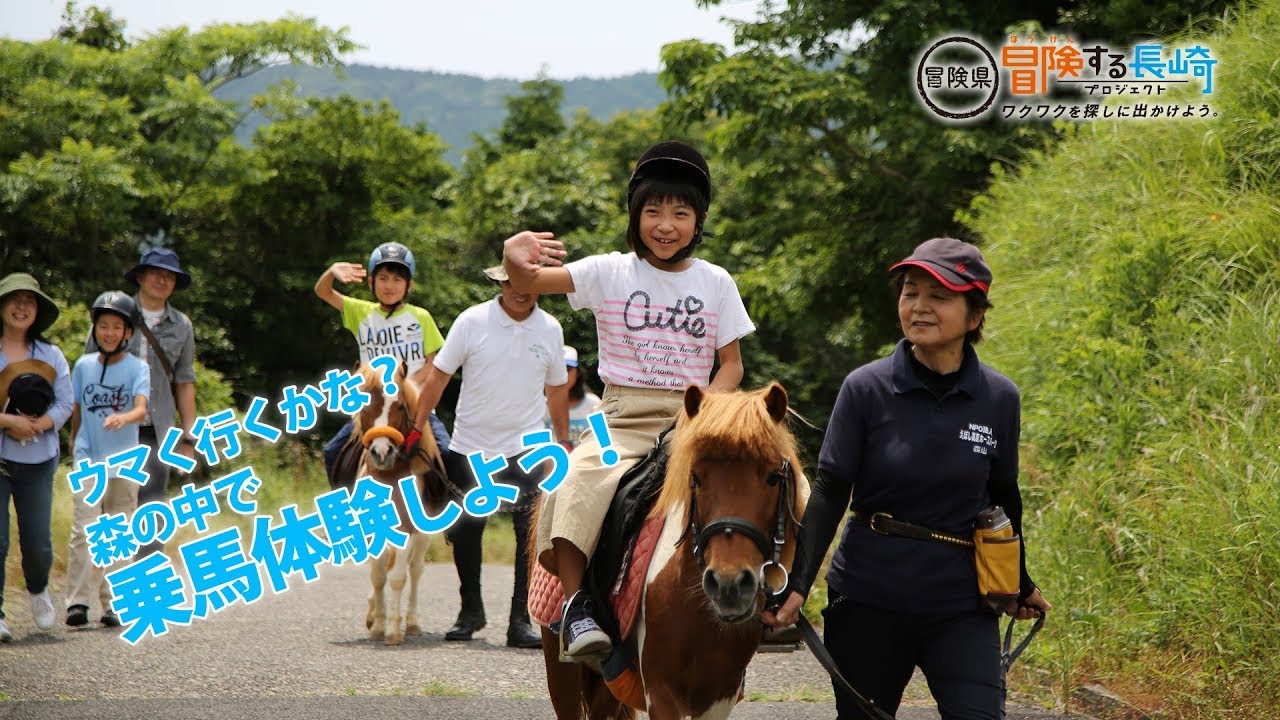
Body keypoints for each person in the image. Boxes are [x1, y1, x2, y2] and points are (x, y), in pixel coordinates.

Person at [763, 238, 1052, 719]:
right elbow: (832, 490)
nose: (919, 306)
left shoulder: (1000, 398)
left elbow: (1003, 498)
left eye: (938, 296)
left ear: (975, 315)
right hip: (869, 598)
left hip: (963, 603)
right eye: (910, 292)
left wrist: (1019, 582)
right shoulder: (866, 389)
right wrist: (797, 586)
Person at [501, 140, 755, 661]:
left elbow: (732, 364)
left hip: (693, 419)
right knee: (574, 482)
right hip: (621, 418)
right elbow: (527, 280)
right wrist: (513, 254)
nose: (666, 224)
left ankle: (773, 600)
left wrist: (708, 404)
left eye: (680, 212)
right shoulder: (609, 271)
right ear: (636, 215)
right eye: (653, 210)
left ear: (698, 220)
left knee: (770, 481)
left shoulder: (717, 282)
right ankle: (576, 608)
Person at [405, 264, 571, 648]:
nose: (521, 291)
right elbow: (439, 377)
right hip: (470, 445)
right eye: (512, 281)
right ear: (501, 281)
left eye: (530, 283)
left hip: (525, 448)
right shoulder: (471, 320)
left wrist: (562, 441)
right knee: (466, 531)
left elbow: (557, 390)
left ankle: (519, 621)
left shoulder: (550, 329)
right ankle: (471, 612)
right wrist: (417, 426)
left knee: (526, 535)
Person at [86, 248, 197, 559]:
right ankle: (110, 594)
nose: (162, 280)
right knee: (113, 512)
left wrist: (189, 436)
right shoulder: (113, 313)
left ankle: (147, 586)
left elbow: (185, 382)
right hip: (112, 427)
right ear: (140, 276)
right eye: (156, 273)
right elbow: (87, 371)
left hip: (156, 430)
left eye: (169, 276)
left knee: (152, 508)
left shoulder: (182, 325)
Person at [314, 241, 449, 482]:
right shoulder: (361, 312)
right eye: (383, 278)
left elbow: (432, 364)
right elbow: (322, 291)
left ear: (409, 285)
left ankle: (460, 515)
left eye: (397, 280)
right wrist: (332, 272)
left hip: (413, 407)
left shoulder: (420, 317)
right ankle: (346, 512)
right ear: (371, 282)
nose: (390, 286)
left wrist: (405, 389)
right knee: (333, 451)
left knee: (448, 454)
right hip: (371, 408)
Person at [67, 291, 150, 628]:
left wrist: (125, 418)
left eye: (117, 326)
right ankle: (78, 603)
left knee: (118, 529)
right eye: (104, 326)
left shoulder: (137, 367)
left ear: (128, 332)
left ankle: (114, 603)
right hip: (89, 458)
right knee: (84, 529)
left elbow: (142, 408)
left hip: (125, 461)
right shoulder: (83, 366)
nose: (110, 332)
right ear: (95, 329)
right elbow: (76, 409)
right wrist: (74, 444)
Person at [0, 273, 73, 642]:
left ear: (38, 310)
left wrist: (41, 423)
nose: (22, 307)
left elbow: (65, 402)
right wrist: (8, 420)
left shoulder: (52, 355)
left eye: (29, 301)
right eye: (14, 299)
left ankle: (39, 589)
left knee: (38, 541)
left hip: (39, 458)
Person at [543, 346, 601, 448]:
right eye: (558, 371)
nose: (563, 376)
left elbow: (602, 441)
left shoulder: (593, 404)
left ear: (577, 373)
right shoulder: (541, 407)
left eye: (568, 369)